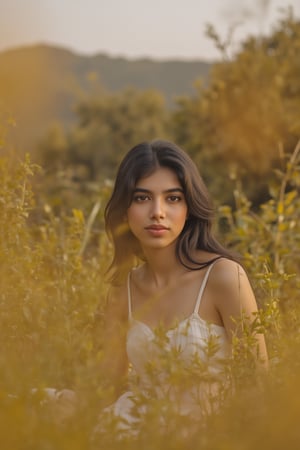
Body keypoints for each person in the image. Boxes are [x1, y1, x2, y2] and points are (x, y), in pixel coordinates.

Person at [101, 139, 268, 433]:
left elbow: (257, 386)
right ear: (124, 209)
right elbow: (104, 389)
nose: (158, 212)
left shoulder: (224, 277)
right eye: (142, 198)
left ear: (190, 207)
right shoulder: (121, 291)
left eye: (173, 198)